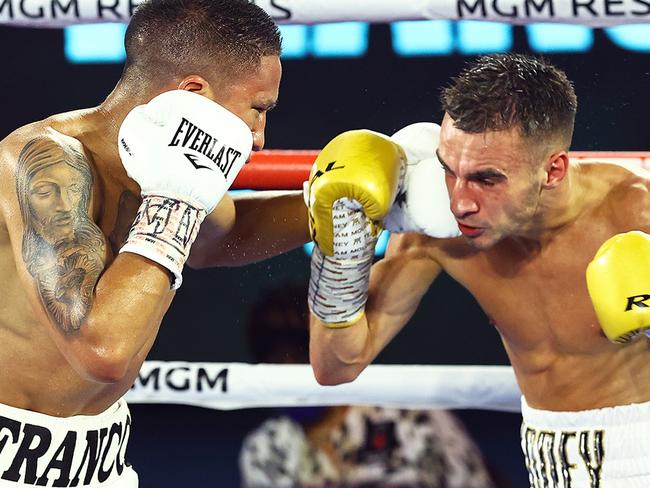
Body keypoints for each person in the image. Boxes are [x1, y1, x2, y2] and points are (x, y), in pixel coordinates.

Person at [0, 0, 309, 485]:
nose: (259, 139)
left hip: (103, 461)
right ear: (191, 93)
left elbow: (224, 236)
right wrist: (175, 203)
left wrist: (340, 201)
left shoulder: (158, 164)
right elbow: (102, 351)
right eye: (257, 110)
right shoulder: (42, 163)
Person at [306, 53, 650, 486]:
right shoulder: (438, 228)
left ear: (553, 169)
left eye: (487, 179)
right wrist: (342, 254)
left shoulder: (636, 214)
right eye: (451, 171)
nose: (460, 201)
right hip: (545, 459)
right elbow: (335, 366)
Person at [239, 283, 498, 488]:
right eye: (275, 361)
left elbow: (475, 480)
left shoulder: (411, 417)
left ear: (322, 354)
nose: (289, 372)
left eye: (298, 357)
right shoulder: (264, 450)